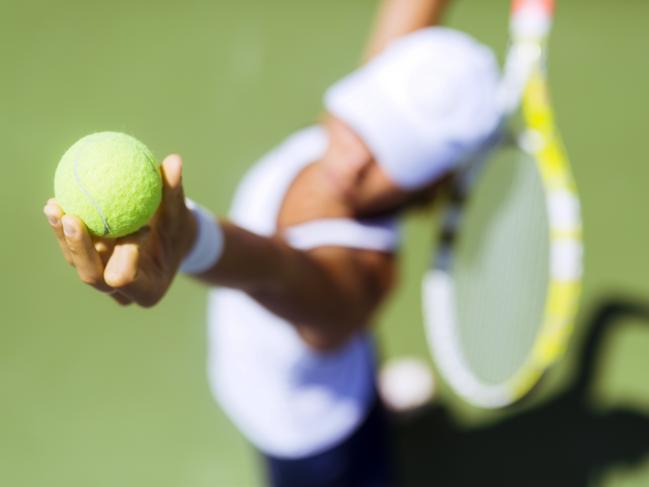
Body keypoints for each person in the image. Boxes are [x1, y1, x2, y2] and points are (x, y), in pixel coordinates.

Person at [43, 0, 501, 485]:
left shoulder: (366, 274)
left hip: (311, 437)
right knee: (363, 376)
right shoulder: (367, 115)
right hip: (276, 378)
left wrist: (190, 240)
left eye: (396, 152)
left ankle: (371, 413)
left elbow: (276, 268)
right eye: (368, 117)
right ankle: (374, 396)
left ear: (430, 183)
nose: (356, 153)